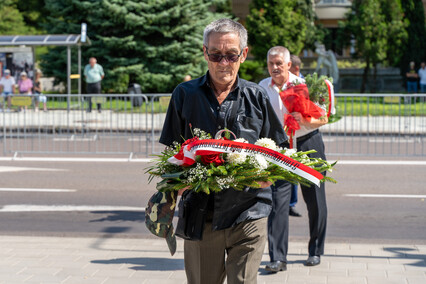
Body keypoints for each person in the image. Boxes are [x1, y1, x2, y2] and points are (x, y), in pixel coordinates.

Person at [159, 18, 287, 284]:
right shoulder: (184, 94)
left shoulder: (257, 96)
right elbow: (170, 153)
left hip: (250, 211)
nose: (223, 63)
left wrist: (270, 176)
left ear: (244, 54)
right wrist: (177, 181)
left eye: (231, 55)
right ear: (205, 53)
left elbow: (280, 150)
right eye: (216, 55)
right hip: (201, 215)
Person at [259, 46, 328, 271]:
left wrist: (305, 119)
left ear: (289, 65)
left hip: (308, 143)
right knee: (278, 203)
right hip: (280, 147)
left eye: (279, 63)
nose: (275, 67)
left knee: (315, 201)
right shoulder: (262, 87)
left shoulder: (305, 85)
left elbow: (324, 118)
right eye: (271, 64)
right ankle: (278, 258)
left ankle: (315, 250)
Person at [288, 54, 304, 218]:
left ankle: (291, 204)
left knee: (294, 171)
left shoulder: (303, 84)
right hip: (285, 134)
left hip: (300, 134)